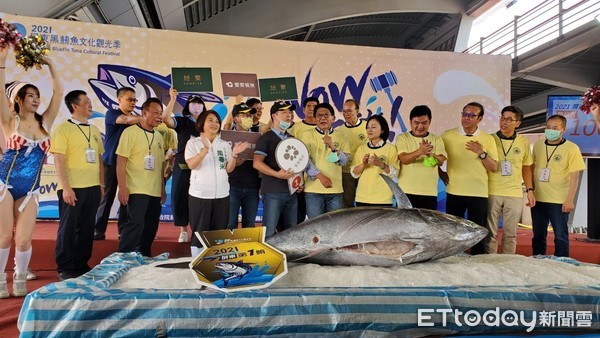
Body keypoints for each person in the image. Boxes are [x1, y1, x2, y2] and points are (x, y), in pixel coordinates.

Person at [0, 47, 63, 297]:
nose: (36, 100)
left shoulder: (44, 122)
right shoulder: (9, 121)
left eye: (37, 95)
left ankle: (19, 277)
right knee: (4, 237)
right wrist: (2, 59)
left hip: (30, 190)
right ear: (18, 99)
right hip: (4, 184)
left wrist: (49, 65)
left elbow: (59, 92)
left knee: (24, 240)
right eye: (30, 96)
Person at [50, 90, 104, 280]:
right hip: (72, 187)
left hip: (92, 187)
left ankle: (81, 264)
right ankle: (65, 267)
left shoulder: (95, 130)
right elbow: (58, 160)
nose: (90, 105)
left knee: (87, 227)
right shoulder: (63, 129)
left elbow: (98, 159)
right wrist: (66, 187)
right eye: (86, 102)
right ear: (75, 106)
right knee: (68, 228)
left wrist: (101, 185)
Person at [185, 110, 246, 257]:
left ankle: (215, 265)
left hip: (222, 195)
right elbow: (191, 165)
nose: (214, 124)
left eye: (217, 121)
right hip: (200, 195)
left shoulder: (224, 145)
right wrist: (205, 150)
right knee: (200, 232)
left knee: (218, 233)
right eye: (210, 120)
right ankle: (198, 264)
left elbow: (228, 169)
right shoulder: (193, 143)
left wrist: (234, 154)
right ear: (202, 124)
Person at [441, 102, 498, 255]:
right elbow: (437, 157)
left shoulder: (487, 139)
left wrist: (481, 152)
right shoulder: (448, 135)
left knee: (478, 230)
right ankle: (452, 257)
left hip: (478, 191)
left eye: (472, 115)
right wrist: (442, 174)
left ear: (480, 119)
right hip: (455, 190)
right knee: (453, 229)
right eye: (464, 114)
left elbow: (493, 167)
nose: (467, 118)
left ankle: (477, 260)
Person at [115, 98, 166, 257]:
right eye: (155, 112)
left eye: (161, 113)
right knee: (134, 225)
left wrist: (162, 189)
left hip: (154, 191)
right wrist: (122, 188)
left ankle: (143, 257)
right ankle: (123, 259)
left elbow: (160, 166)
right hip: (136, 188)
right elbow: (121, 162)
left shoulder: (158, 136)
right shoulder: (130, 132)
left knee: (151, 227)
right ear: (144, 113)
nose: (159, 116)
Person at [531, 115, 586, 257]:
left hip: (559, 200)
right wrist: (530, 190)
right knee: (538, 235)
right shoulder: (538, 145)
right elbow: (531, 167)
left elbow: (575, 176)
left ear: (563, 129)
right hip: (538, 199)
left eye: (555, 128)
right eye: (548, 127)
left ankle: (562, 265)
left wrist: (570, 199)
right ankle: (538, 261)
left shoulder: (572, 148)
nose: (550, 130)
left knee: (560, 236)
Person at [94, 87, 141, 240]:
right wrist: (147, 117)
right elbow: (126, 120)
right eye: (129, 99)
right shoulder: (112, 114)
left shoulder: (137, 119)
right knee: (107, 197)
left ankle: (124, 231)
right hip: (110, 162)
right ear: (119, 100)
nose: (133, 102)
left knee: (126, 197)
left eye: (135, 100)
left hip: (129, 164)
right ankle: (97, 229)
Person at [486, 106, 535, 254]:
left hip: (514, 192)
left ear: (518, 123)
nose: (504, 122)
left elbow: (526, 167)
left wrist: (530, 190)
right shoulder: (490, 139)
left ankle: (508, 261)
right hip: (491, 190)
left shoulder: (523, 142)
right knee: (490, 232)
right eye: (502, 118)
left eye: (509, 119)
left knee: (511, 233)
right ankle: (489, 260)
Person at [162, 89, 205, 242]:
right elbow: (166, 119)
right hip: (183, 165)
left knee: (199, 198)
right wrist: (173, 99)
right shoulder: (182, 121)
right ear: (188, 106)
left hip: (202, 165)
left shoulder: (206, 124)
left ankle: (198, 230)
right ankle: (183, 230)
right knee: (180, 196)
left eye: (200, 103)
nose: (197, 106)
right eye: (193, 103)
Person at [253, 100, 299, 238]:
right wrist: (277, 174)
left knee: (291, 231)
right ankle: (268, 259)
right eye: (284, 112)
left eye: (290, 112)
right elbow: (257, 163)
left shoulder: (292, 139)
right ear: (274, 116)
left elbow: (296, 165)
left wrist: (298, 181)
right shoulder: (265, 138)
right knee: (269, 231)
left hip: (291, 192)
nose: (288, 115)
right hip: (273, 192)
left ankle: (289, 259)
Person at [300, 102, 349, 218]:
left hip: (335, 189)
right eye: (319, 115)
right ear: (315, 118)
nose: (322, 118)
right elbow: (304, 160)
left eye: (326, 115)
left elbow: (344, 161)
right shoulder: (306, 135)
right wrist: (320, 176)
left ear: (333, 118)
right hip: (313, 190)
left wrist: (333, 147)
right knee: (315, 226)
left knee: (334, 226)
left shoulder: (341, 136)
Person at [396, 105, 446, 210]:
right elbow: (404, 159)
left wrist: (430, 154)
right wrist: (420, 152)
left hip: (429, 192)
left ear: (430, 122)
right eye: (416, 123)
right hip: (406, 192)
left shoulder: (437, 139)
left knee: (427, 226)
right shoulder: (402, 138)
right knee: (404, 224)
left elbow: (441, 161)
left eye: (424, 123)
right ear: (410, 122)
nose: (420, 126)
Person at [351, 115, 399, 206]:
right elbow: (354, 173)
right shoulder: (361, 149)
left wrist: (382, 165)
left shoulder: (391, 148)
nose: (369, 130)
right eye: (368, 127)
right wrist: (363, 165)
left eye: (373, 127)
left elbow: (395, 173)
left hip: (383, 199)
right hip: (362, 197)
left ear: (383, 130)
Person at [227, 103, 261, 229]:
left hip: (252, 186)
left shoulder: (258, 136)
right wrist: (234, 159)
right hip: (231, 185)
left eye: (249, 115)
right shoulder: (226, 136)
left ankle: (247, 249)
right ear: (235, 118)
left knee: (249, 225)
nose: (248, 118)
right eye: (244, 115)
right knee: (230, 223)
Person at [337, 99, 367, 208]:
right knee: (347, 203)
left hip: (364, 170)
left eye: (349, 111)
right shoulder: (339, 131)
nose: (346, 114)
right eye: (344, 111)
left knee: (365, 202)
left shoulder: (367, 127)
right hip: (346, 172)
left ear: (357, 111)